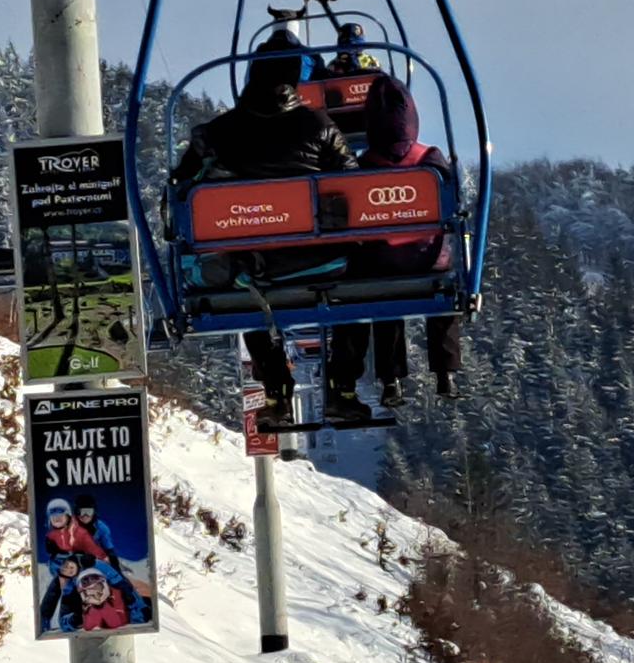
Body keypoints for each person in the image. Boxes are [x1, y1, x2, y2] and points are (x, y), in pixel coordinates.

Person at [168, 29, 345, 419]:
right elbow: (353, 186)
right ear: (297, 78)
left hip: (249, 264)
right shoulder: (319, 125)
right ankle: (343, 387)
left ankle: (275, 388)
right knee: (358, 283)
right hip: (317, 258)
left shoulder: (216, 133)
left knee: (245, 287)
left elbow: (180, 189)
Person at [314, 44, 461, 423]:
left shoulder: (362, 165)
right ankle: (445, 371)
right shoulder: (430, 158)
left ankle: (391, 378)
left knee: (381, 291)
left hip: (380, 264)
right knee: (442, 286)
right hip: (428, 261)